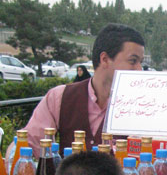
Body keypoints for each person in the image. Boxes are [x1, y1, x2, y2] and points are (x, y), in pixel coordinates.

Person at [18, 23, 144, 158]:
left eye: (141, 62)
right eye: (133, 61)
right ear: (105, 59)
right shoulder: (60, 97)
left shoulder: (142, 106)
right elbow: (28, 143)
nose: (140, 69)